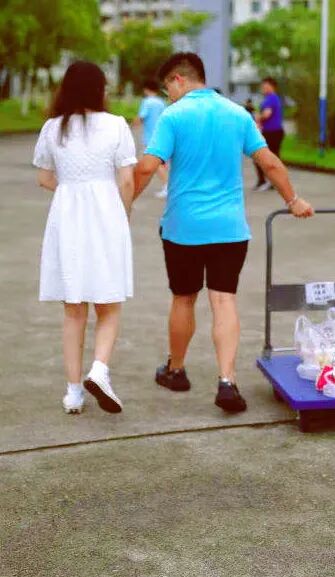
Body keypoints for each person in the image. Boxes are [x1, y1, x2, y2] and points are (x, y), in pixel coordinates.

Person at [132, 53, 314, 413]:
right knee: (224, 300)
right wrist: (293, 200)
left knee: (184, 298)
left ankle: (176, 370)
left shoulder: (174, 116)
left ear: (179, 79)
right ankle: (227, 381)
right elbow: (269, 162)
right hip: (230, 229)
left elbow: (146, 167)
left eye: (168, 87)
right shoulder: (237, 114)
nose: (168, 95)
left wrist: (125, 203)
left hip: (183, 228)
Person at [33, 61, 137, 415]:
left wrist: (71, 189)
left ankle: (74, 392)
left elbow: (44, 178)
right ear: (99, 89)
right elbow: (127, 180)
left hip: (67, 218)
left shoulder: (53, 128)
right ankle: (100, 370)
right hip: (106, 215)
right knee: (109, 303)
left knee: (74, 309)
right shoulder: (116, 125)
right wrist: (122, 212)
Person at [132, 79, 168, 197]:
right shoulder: (161, 102)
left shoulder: (147, 102)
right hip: (162, 135)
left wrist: (130, 127)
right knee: (161, 162)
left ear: (146, 89)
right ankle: (167, 185)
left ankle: (166, 185)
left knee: (155, 163)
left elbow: (141, 117)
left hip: (150, 137)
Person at [254, 77, 285, 191]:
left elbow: (267, 114)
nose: (263, 88)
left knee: (261, 156)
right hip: (274, 131)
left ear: (272, 86)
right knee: (273, 157)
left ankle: (266, 181)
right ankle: (273, 181)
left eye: (265, 86)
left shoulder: (271, 99)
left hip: (272, 132)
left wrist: (258, 117)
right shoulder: (274, 98)